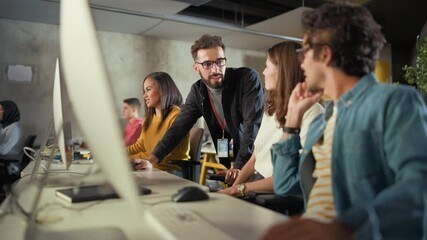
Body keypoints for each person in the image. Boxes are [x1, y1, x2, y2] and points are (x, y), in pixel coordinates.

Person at [262, 3, 427, 240]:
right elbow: (285, 185)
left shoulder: (395, 101)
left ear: (325, 55)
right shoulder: (323, 122)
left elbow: (419, 185)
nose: (301, 63)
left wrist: (347, 227)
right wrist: (292, 121)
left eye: (305, 52)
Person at [135, 34, 265, 171]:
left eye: (220, 61)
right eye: (207, 64)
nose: (216, 69)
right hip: (233, 147)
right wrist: (151, 159)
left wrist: (238, 167)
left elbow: (252, 126)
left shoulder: (246, 79)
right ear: (196, 68)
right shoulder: (198, 91)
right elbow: (178, 128)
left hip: (262, 147)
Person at [218, 41, 323, 197]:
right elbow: (255, 157)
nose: (264, 72)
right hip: (254, 184)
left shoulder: (313, 113)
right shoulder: (272, 109)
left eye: (267, 67)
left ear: (283, 71)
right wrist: (233, 187)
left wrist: (239, 189)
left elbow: (293, 178)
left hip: (273, 193)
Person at [127, 72, 190, 171]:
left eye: (148, 90)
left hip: (170, 171)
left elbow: (167, 150)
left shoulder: (177, 116)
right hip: (151, 167)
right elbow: (140, 146)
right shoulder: (149, 118)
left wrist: (145, 160)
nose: (144, 96)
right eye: (144, 91)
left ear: (163, 90)